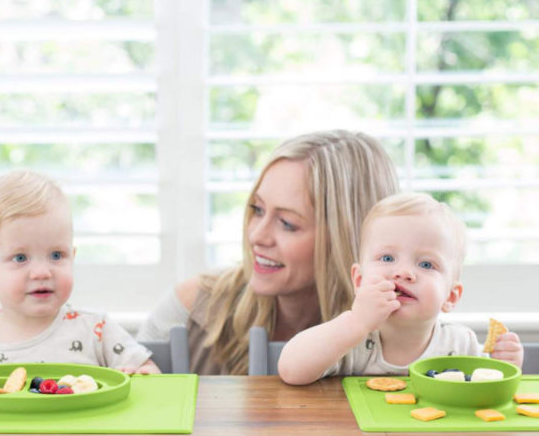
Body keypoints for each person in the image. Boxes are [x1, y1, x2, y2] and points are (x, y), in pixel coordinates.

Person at [136, 130, 399, 374]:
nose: (256, 236)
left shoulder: (399, 332)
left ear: (346, 238)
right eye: (257, 210)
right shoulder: (192, 309)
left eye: (287, 223)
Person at [277, 192, 524, 385]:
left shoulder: (460, 344)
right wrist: (356, 322)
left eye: (426, 264)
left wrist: (505, 366)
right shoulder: (349, 339)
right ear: (360, 281)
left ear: (450, 296)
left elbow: (483, 393)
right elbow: (290, 370)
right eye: (387, 258)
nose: (403, 272)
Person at [0, 170, 159, 374]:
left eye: (56, 255)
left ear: (72, 256)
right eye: (20, 258)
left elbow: (152, 376)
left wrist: (142, 376)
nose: (42, 273)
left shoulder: (97, 331)